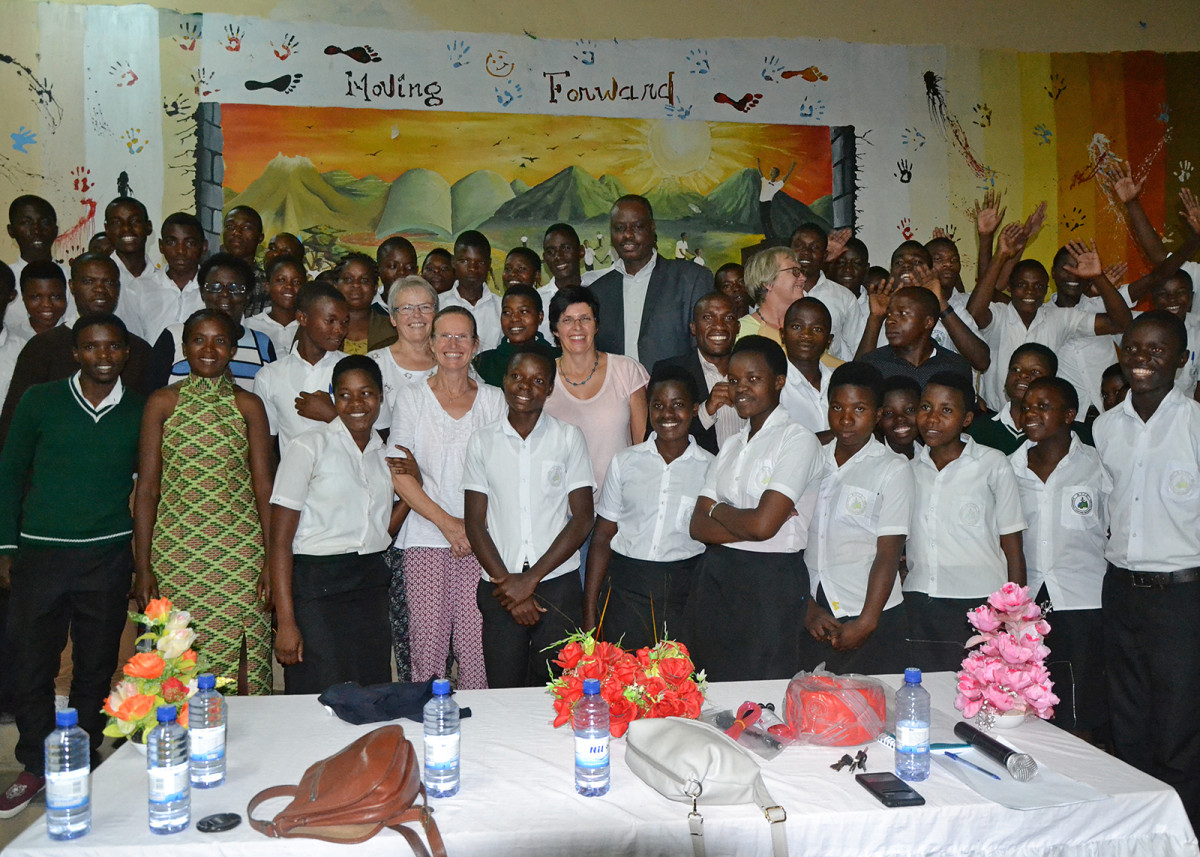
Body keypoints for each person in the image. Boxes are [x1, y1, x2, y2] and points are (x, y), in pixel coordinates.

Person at [0, 314, 143, 818]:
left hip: (107, 554)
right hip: (40, 552)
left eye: (111, 347)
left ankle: (81, 757)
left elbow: (147, 487)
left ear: (125, 352)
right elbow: (9, 473)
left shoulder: (141, 410)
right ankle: (36, 763)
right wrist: (5, 547)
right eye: (91, 347)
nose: (102, 356)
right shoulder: (41, 401)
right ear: (76, 352)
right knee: (31, 664)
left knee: (96, 664)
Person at [1093, 311, 1200, 829]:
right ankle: (1140, 833)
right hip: (1121, 591)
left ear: (1181, 361)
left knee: (1180, 725)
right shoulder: (1105, 425)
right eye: (1133, 348)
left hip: (1182, 595)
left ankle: (1184, 834)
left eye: (1157, 351)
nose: (1142, 360)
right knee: (1128, 719)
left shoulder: (1195, 423)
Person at [133, 309, 274, 694]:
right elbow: (147, 489)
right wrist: (142, 566)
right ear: (184, 347)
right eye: (199, 340)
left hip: (240, 553)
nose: (209, 349)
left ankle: (251, 747)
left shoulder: (249, 406)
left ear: (232, 349)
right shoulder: (162, 402)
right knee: (179, 659)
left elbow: (265, 488)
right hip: (176, 553)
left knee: (245, 655)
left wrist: (270, 562)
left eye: (220, 341)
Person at [685, 336, 824, 681]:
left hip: (770, 583)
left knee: (762, 692)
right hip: (717, 577)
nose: (741, 389)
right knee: (711, 686)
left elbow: (763, 527)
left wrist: (718, 509)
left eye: (753, 379)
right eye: (733, 381)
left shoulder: (797, 440)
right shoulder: (732, 444)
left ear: (779, 382)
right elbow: (697, 527)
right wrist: (742, 519)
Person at [270, 355, 407, 694]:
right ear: (333, 397)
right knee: (321, 692)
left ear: (380, 398)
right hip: (317, 587)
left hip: (369, 587)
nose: (356, 404)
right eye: (344, 395)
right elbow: (279, 542)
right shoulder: (307, 447)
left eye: (366, 394)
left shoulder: (383, 455)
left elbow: (379, 531)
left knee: (369, 690)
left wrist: (408, 496)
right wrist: (286, 621)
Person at [463, 348, 595, 688]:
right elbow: (475, 522)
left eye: (538, 381)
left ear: (550, 389)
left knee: (557, 693)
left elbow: (582, 519)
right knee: (504, 691)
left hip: (557, 585)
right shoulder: (482, 441)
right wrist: (510, 584)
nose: (526, 387)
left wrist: (530, 580)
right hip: (500, 587)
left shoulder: (568, 437)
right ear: (504, 381)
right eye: (517, 377)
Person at [390, 307, 506, 688]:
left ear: (475, 345)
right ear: (432, 342)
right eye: (444, 336)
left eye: (462, 337)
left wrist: (471, 530)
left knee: (480, 650)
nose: (453, 345)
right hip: (425, 537)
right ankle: (432, 737)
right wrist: (448, 524)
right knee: (428, 652)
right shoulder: (411, 398)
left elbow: (500, 474)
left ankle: (484, 740)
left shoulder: (494, 400)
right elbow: (399, 473)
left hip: (483, 543)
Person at [905, 371, 1026, 673]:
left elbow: (1012, 545)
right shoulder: (907, 469)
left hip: (981, 602)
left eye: (946, 410)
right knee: (928, 690)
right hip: (921, 599)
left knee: (983, 690)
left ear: (967, 419)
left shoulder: (992, 463)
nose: (932, 419)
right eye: (925, 407)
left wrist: (1016, 614)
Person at [584, 366, 713, 650]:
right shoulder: (625, 462)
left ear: (694, 409)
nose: (667, 415)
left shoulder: (711, 468)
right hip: (625, 590)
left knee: (675, 685)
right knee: (623, 683)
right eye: (658, 405)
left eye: (678, 405)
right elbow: (603, 536)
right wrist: (590, 611)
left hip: (684, 591)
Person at [1009, 376, 1109, 737]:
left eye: (1043, 407)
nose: (1031, 413)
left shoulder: (1098, 466)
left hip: (1083, 600)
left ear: (1069, 415)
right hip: (1028, 603)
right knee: (1029, 705)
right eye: (1026, 407)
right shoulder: (1009, 468)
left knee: (1081, 704)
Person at [802, 362, 913, 674]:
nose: (846, 419)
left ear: (877, 415)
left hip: (870, 615)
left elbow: (888, 553)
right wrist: (806, 607)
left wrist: (866, 622)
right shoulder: (812, 459)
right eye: (837, 407)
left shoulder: (892, 468)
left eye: (859, 408)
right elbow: (791, 540)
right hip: (815, 614)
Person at [967, 225, 1131, 411]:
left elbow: (1121, 323)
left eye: (1037, 286)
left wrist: (1098, 277)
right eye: (1022, 284)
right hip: (997, 417)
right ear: (1009, 288)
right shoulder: (999, 314)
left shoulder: (1059, 318)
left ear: (1046, 290)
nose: (1030, 291)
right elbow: (972, 315)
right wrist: (1001, 255)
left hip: (1041, 419)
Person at [0, 253, 154, 445]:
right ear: (72, 287)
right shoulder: (41, 346)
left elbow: (151, 423)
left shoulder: (139, 349)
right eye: (89, 281)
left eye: (109, 282)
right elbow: (14, 424)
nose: (99, 290)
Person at [544, 287, 649, 508]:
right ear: (555, 329)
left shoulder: (626, 370)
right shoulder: (542, 377)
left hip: (619, 506)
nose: (577, 328)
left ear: (596, 324)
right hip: (559, 510)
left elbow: (643, 446)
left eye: (585, 319)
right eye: (567, 320)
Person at [588, 195, 711, 371]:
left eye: (637, 227)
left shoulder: (690, 279)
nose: (628, 235)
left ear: (652, 227)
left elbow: (705, 351)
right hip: (617, 396)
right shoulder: (597, 292)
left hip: (677, 394)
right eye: (619, 228)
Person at [149, 253, 276, 390]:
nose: (225, 294)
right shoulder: (174, 336)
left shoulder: (262, 344)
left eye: (235, 288)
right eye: (215, 287)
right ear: (203, 293)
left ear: (248, 296)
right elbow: (151, 393)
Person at [255, 282, 350, 451]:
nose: (339, 330)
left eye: (344, 322)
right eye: (330, 321)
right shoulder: (270, 375)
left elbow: (373, 439)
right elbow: (264, 446)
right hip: (293, 476)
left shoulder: (352, 370)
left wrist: (332, 415)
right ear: (302, 318)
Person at [653, 291, 743, 454]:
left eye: (728, 318)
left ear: (738, 327)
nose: (719, 326)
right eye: (708, 318)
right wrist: (706, 410)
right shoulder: (670, 372)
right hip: (693, 475)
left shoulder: (752, 371)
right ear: (693, 328)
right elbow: (655, 437)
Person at [860, 285, 973, 388]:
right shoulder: (873, 364)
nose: (890, 320)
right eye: (889, 314)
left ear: (928, 322)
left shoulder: (955, 367)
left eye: (903, 313)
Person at [122, 212, 207, 347]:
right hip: (151, 367)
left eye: (190, 243)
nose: (180, 250)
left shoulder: (214, 289)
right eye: (171, 242)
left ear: (204, 247)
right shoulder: (139, 289)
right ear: (161, 246)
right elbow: (131, 341)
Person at [368, 275, 438, 427]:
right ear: (393, 318)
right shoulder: (374, 364)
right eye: (406, 308)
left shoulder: (451, 360)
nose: (417, 315)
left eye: (425, 307)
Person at [967, 342, 1060, 454]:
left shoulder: (1056, 434)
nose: (1023, 375)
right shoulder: (977, 429)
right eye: (1016, 369)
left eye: (1035, 372)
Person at [789, 224, 859, 360]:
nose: (806, 252)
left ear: (825, 255)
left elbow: (855, 347)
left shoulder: (844, 297)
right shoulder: (777, 292)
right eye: (799, 245)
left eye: (815, 247)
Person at [473, 285, 559, 388]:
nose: (514, 318)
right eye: (507, 312)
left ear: (540, 316)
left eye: (523, 312)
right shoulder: (484, 362)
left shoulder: (558, 358)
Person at [780, 297, 836, 433]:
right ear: (782, 335)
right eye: (797, 327)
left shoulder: (839, 380)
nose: (806, 335)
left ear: (829, 340)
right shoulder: (774, 385)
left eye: (817, 329)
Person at [101, 196, 157, 332]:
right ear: (107, 229)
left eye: (135, 221)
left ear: (148, 227)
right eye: (116, 223)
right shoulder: (99, 280)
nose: (126, 228)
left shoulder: (163, 282)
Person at [442, 230, 502, 351]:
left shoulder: (501, 307)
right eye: (464, 261)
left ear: (489, 264)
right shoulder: (438, 304)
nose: (472, 268)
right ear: (453, 262)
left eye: (480, 262)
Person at [737, 246, 808, 346]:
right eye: (795, 271)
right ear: (768, 282)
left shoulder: (809, 328)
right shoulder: (740, 331)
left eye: (801, 271)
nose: (803, 278)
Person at [336, 253, 397, 354]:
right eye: (348, 279)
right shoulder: (322, 328)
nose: (356, 285)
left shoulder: (392, 330)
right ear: (336, 285)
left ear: (375, 288)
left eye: (364, 280)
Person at [244, 255, 304, 356]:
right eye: (281, 280)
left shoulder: (309, 327)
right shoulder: (249, 326)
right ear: (267, 286)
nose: (289, 286)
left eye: (296, 282)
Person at [220, 205, 267, 315]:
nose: (237, 232)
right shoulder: (207, 276)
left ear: (260, 237)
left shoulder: (266, 284)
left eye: (246, 228)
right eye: (230, 227)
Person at [12, 260, 69, 343]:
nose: (46, 304)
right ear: (23, 297)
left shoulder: (78, 334)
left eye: (55, 296)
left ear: (65, 294)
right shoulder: (13, 336)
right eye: (35, 297)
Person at [877, 375, 921, 459]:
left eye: (910, 410)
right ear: (878, 418)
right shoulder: (872, 462)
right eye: (888, 413)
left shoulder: (931, 458)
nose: (900, 418)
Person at [376, 235, 419, 313]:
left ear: (416, 271)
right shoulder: (369, 307)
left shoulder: (426, 306)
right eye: (393, 267)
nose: (402, 272)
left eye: (409, 267)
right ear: (379, 270)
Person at [756, 158, 794, 240]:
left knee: (767, 220)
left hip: (767, 203)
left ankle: (772, 236)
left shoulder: (777, 185)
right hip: (761, 203)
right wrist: (758, 163)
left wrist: (792, 167)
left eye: (773, 172)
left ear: (776, 175)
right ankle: (768, 237)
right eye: (771, 171)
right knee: (763, 221)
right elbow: (760, 173)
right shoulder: (765, 181)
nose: (771, 172)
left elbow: (786, 177)